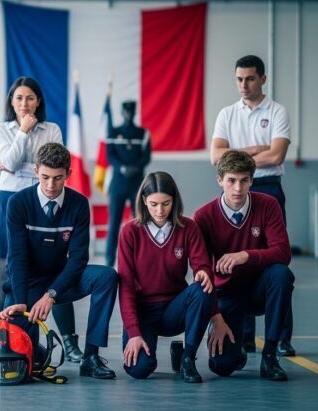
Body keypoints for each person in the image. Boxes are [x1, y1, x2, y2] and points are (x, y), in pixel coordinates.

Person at [0, 142, 119, 380]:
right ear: (36, 172)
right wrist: (22, 302)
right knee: (18, 355)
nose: (51, 185)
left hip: (61, 280)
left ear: (69, 174)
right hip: (28, 284)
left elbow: (78, 259)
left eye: (57, 178)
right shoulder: (18, 204)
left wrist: (51, 294)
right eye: (44, 177)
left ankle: (91, 357)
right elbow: (17, 258)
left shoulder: (79, 204)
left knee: (106, 276)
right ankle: (37, 349)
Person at [0, 76, 83, 363]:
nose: (24, 103)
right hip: (9, 202)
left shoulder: (52, 129)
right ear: (11, 101)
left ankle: (70, 342)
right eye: (18, 98)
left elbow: (51, 169)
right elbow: (30, 166)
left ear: (38, 101)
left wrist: (14, 166)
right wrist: (24, 133)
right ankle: (5, 334)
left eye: (29, 97)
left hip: (45, 204)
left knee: (57, 272)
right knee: (8, 275)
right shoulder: (1, 130)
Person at [210, 55, 294, 356]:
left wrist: (235, 158)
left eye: (250, 79)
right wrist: (254, 151)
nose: (243, 85)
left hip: (268, 188)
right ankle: (245, 337)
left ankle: (282, 337)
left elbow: (276, 156)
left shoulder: (277, 112)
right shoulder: (227, 113)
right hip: (235, 187)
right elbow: (214, 158)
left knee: (276, 263)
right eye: (239, 79)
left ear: (263, 79)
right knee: (238, 263)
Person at [194, 150, 293, 381]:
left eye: (244, 180)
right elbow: (203, 273)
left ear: (252, 180)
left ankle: (270, 357)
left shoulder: (268, 205)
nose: (238, 188)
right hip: (226, 294)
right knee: (222, 367)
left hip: (259, 289)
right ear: (220, 180)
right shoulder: (204, 216)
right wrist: (215, 317)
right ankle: (235, 350)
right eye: (231, 180)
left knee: (281, 274)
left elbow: (283, 252)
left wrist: (245, 255)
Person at [117, 172, 215, 383]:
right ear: (144, 201)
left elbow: (202, 264)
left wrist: (202, 272)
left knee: (202, 288)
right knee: (139, 369)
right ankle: (166, 350)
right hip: (144, 311)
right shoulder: (130, 232)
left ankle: (187, 358)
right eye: (153, 204)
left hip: (175, 310)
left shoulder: (189, 227)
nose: (159, 211)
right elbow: (125, 287)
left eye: (166, 203)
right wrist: (134, 333)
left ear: (174, 201)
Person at [105, 100, 151, 268]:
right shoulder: (113, 131)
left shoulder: (143, 133)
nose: (129, 114)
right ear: (122, 112)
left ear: (135, 112)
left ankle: (137, 257)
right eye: (126, 111)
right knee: (114, 223)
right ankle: (109, 260)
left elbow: (146, 156)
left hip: (137, 184)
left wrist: (135, 168)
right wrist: (122, 167)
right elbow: (109, 156)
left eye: (132, 111)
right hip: (118, 184)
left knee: (138, 222)